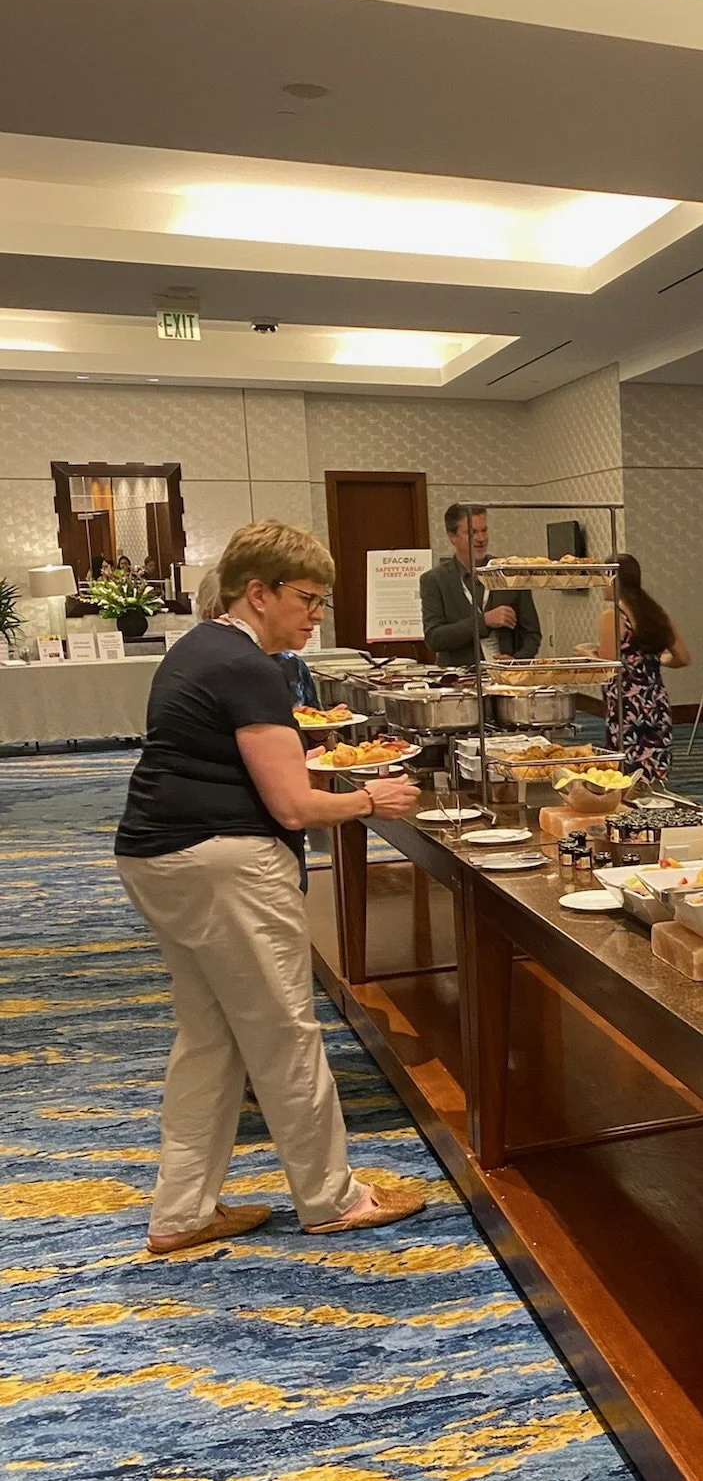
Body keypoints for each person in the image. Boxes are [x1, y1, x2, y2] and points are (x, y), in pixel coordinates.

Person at [115, 520, 429, 1254]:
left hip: (157, 857)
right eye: (306, 599)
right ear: (256, 592)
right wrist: (367, 800)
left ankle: (182, 1210)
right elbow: (292, 806)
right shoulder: (249, 668)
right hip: (221, 864)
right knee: (285, 1033)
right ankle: (331, 1196)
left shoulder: (198, 647)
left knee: (212, 1038)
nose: (315, 616)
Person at [597, 553, 690, 784]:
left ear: (612, 579)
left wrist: (588, 655)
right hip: (655, 701)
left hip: (627, 705)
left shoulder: (613, 618)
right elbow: (683, 657)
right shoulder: (654, 613)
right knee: (654, 767)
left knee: (625, 773)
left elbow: (607, 666)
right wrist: (655, 662)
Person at [419, 502, 540, 667]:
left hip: (505, 680)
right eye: (472, 532)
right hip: (457, 682)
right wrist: (483, 621)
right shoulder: (435, 580)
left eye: (484, 530)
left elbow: (532, 634)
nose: (481, 539)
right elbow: (434, 638)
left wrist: (517, 661)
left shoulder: (510, 573)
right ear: (452, 536)